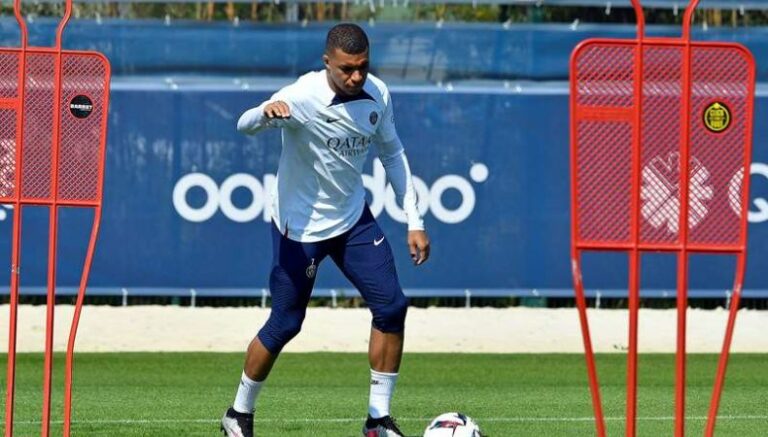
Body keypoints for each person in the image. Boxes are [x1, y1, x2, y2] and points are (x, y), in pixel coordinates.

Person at [221, 23, 430, 437]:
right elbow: (243, 124)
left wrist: (414, 219)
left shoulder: (378, 93)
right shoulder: (302, 95)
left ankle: (377, 421)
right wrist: (266, 112)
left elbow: (392, 154)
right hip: (300, 227)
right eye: (347, 69)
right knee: (286, 322)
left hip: (352, 220)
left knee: (392, 307)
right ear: (327, 63)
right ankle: (238, 414)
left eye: (363, 67)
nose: (356, 76)